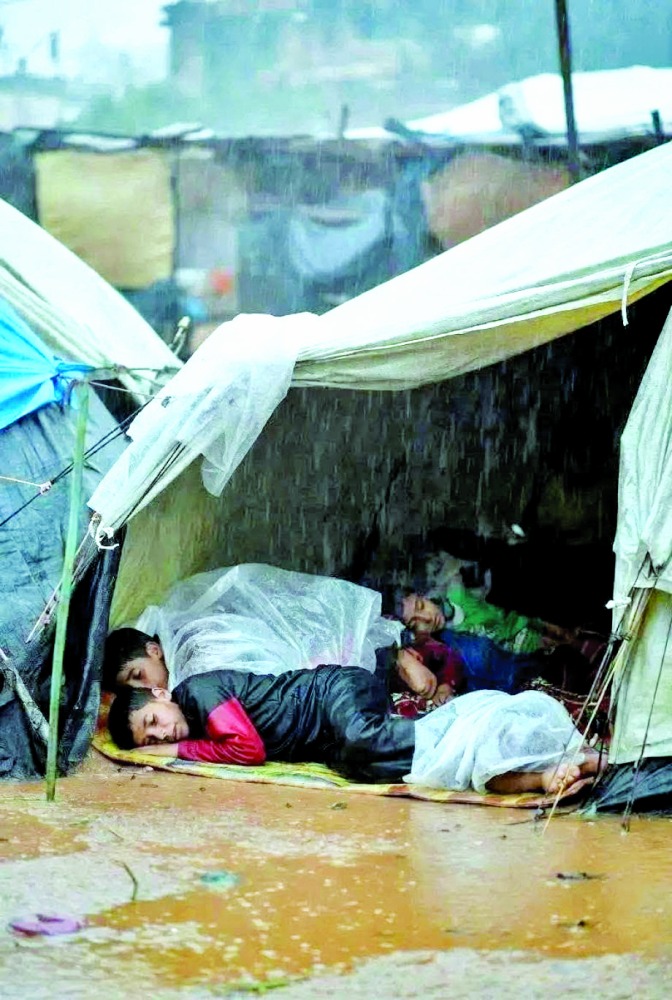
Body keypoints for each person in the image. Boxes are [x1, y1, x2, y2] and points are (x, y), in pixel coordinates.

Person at [107, 651, 605, 796]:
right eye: (151, 738)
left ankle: (502, 733)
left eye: (154, 721)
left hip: (335, 692)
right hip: (331, 738)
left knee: (364, 740)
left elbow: (247, 749)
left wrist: (173, 752)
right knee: (369, 767)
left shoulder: (198, 691)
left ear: (161, 694)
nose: (161, 734)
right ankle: (527, 773)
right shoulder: (195, 725)